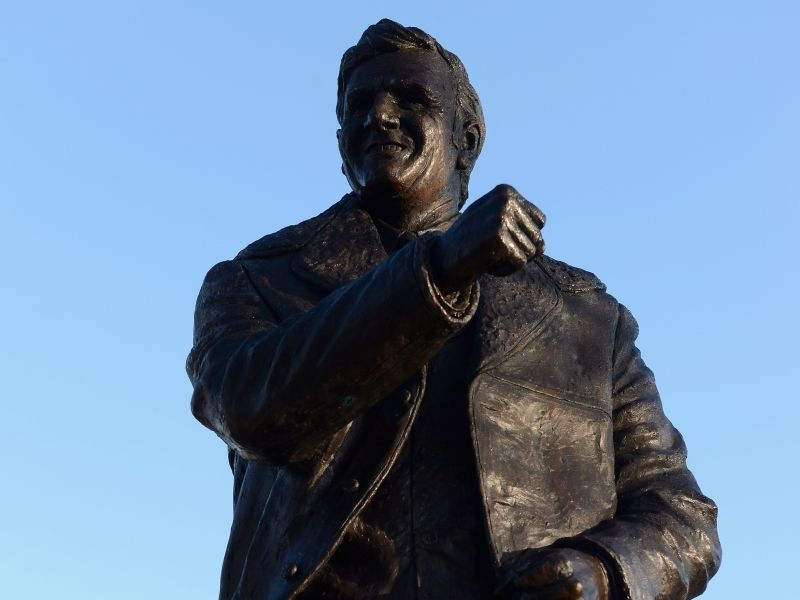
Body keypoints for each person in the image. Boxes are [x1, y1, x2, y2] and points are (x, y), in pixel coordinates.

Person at [187, 19, 721, 600]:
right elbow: (247, 413)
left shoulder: (586, 318)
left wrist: (603, 571)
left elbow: (681, 514)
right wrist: (437, 268)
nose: (380, 115)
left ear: (466, 139)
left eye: (411, 99)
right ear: (340, 143)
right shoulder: (258, 280)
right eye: (360, 104)